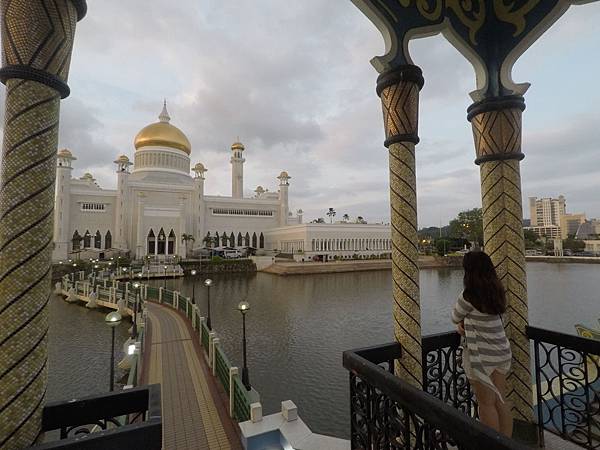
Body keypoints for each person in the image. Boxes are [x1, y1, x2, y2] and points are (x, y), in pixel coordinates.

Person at [451, 250, 513, 437]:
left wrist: (461, 326)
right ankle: (507, 443)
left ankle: (492, 444)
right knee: (500, 400)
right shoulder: (496, 290)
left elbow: (455, 316)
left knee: (486, 404)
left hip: (481, 356)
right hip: (501, 351)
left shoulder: (469, 295)